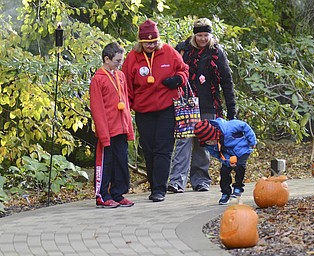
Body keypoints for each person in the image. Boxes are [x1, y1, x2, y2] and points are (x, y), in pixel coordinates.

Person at [122, 19, 189, 202]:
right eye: (147, 43)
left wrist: (178, 80)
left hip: (166, 108)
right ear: (140, 42)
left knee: (164, 148)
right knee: (149, 149)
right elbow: (126, 85)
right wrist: (126, 108)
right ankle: (154, 184)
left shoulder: (168, 51)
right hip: (144, 110)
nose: (151, 45)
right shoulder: (132, 58)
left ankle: (159, 189)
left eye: (153, 42)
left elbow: (184, 70)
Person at [168, 17, 236, 193]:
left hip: (208, 104)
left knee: (203, 142)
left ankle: (201, 180)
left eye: (206, 35)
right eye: (200, 35)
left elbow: (227, 81)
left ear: (210, 35)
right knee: (183, 141)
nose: (203, 39)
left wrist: (231, 110)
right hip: (186, 104)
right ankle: (177, 181)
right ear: (194, 35)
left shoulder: (217, 53)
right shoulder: (183, 51)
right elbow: (172, 71)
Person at [90, 42, 135, 208]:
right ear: (106, 59)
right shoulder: (98, 79)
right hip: (107, 130)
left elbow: (126, 103)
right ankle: (102, 194)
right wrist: (103, 133)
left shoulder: (120, 76)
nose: (120, 64)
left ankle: (118, 193)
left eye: (121, 60)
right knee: (106, 163)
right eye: (117, 61)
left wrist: (128, 128)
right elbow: (97, 108)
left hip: (121, 128)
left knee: (121, 161)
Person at [194, 118, 257, 205]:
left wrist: (252, 141)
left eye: (212, 140)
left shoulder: (229, 128)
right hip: (228, 156)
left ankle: (238, 187)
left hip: (242, 149)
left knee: (240, 166)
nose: (211, 143)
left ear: (215, 133)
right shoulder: (209, 146)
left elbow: (245, 126)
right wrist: (227, 161)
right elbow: (218, 155)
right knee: (224, 171)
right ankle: (225, 193)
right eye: (208, 142)